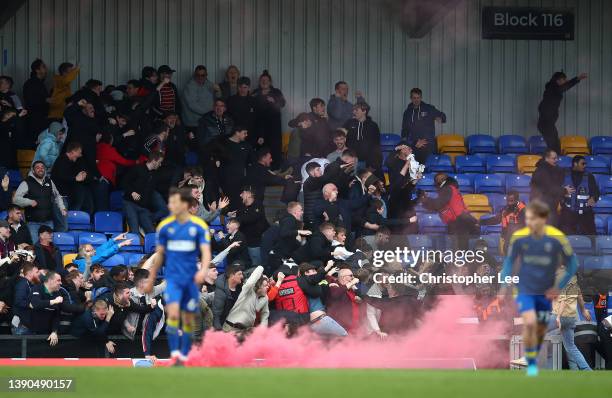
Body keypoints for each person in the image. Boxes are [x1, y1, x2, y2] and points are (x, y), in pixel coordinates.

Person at [499, 200, 578, 377]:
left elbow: (573, 263)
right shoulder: (519, 237)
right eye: (529, 218)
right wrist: (504, 284)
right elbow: (509, 262)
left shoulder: (556, 236)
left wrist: (559, 286)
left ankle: (531, 359)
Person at [147, 187, 211, 365]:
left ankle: (183, 355)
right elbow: (159, 255)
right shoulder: (165, 226)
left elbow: (206, 252)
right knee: (173, 320)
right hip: (173, 281)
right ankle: (177, 355)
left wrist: (203, 270)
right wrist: (152, 278)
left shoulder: (199, 227)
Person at [420, 173, 479, 249]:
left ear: (441, 181)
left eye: (436, 180)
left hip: (458, 223)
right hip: (461, 221)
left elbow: (438, 204)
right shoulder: (452, 188)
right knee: (461, 249)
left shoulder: (447, 189)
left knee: (458, 250)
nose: (435, 183)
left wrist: (424, 200)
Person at [550, 267, 592, 371]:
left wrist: (558, 317)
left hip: (559, 316)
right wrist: (583, 311)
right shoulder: (575, 283)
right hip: (571, 318)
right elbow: (580, 298)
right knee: (571, 347)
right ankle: (587, 370)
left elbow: (563, 300)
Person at [13, 161, 67, 240]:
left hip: (48, 221)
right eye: (37, 167)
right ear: (33, 170)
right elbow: (16, 199)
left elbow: (57, 196)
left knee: (49, 247)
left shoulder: (49, 181)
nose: (40, 169)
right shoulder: (27, 182)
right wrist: (29, 202)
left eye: (42, 167)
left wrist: (62, 207)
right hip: (33, 223)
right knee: (35, 247)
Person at [537, 71, 587, 153]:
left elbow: (564, 86)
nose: (566, 81)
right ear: (558, 80)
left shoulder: (553, 88)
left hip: (548, 123)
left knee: (554, 144)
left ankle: (553, 160)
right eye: (564, 79)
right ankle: (551, 161)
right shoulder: (553, 88)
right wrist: (578, 78)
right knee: (554, 146)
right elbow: (565, 87)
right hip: (546, 123)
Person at [122, 152, 168, 235]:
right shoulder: (137, 168)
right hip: (130, 204)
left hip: (143, 208)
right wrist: (132, 192)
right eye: (160, 162)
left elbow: (160, 189)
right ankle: (134, 247)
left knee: (152, 232)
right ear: (154, 161)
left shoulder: (155, 175)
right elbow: (124, 182)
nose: (160, 165)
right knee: (135, 231)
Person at [400, 87, 446, 164]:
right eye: (414, 98)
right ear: (411, 98)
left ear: (421, 98)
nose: (416, 100)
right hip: (414, 144)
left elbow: (442, 116)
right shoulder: (407, 112)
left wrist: (440, 118)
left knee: (424, 166)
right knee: (410, 167)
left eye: (418, 98)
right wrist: (409, 143)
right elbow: (404, 130)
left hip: (427, 144)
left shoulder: (429, 108)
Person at [252, 70, 286, 170]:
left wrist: (274, 101)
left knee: (274, 148)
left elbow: (283, 103)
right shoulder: (255, 92)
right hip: (259, 126)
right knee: (261, 148)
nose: (264, 82)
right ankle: (262, 170)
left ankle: (275, 169)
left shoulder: (276, 92)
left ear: (270, 82)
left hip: (274, 127)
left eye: (266, 80)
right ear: (259, 82)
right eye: (262, 80)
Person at [559, 155, 599, 235]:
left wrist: (593, 198)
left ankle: (593, 247)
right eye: (583, 164)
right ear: (575, 164)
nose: (585, 166)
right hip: (568, 212)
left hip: (585, 213)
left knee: (592, 237)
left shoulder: (589, 176)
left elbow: (596, 191)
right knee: (565, 238)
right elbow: (553, 189)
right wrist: (563, 192)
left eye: (585, 164)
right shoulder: (563, 174)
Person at [51, 141, 95, 215]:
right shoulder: (62, 160)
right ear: (73, 151)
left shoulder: (69, 161)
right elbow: (61, 177)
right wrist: (75, 179)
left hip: (66, 194)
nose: (80, 155)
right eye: (79, 152)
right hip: (61, 195)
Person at [223, 265, 269, 334]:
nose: (268, 287)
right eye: (265, 285)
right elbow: (251, 281)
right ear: (259, 286)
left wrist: (262, 330)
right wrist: (261, 267)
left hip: (244, 332)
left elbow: (265, 315)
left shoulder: (265, 298)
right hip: (230, 328)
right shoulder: (247, 289)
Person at [343, 102, 382, 177]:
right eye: (353, 110)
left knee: (365, 185)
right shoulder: (349, 123)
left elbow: (376, 146)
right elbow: (340, 135)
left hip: (367, 162)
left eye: (356, 110)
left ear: (364, 111)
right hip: (351, 161)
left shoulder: (372, 126)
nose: (354, 112)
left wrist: (373, 165)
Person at [219, 126, 253, 210]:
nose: (246, 135)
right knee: (230, 206)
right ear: (237, 132)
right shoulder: (224, 144)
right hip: (227, 182)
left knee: (241, 205)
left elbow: (252, 161)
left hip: (241, 181)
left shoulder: (246, 145)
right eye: (244, 133)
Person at [530, 149, 566, 227]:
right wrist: (564, 191)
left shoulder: (551, 170)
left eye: (557, 158)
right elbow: (549, 188)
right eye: (554, 158)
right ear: (547, 158)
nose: (556, 160)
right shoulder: (542, 171)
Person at [233, 188, 269, 266]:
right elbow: (239, 219)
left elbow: (251, 218)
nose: (240, 195)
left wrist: (236, 219)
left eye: (242, 193)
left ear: (249, 194)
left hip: (255, 242)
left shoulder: (258, 205)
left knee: (256, 265)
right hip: (244, 242)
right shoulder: (241, 206)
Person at [29, 271, 63, 345]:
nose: (61, 283)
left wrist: (54, 331)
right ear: (50, 280)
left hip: (45, 333)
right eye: (58, 280)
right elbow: (36, 303)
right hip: (29, 332)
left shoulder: (58, 294)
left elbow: (56, 315)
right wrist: (53, 301)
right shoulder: (36, 288)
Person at [22, 59, 49, 148]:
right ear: (37, 70)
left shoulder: (40, 83)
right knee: (35, 143)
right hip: (34, 119)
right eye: (43, 67)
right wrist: (46, 101)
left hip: (41, 117)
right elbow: (30, 101)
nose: (46, 69)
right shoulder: (31, 84)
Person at [181, 65, 216, 131]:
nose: (200, 77)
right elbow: (192, 105)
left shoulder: (209, 84)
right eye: (198, 75)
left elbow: (217, 98)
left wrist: (218, 90)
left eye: (203, 75)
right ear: (195, 75)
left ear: (206, 75)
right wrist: (210, 113)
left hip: (206, 122)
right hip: (193, 124)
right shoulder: (189, 87)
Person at [327, 267, 362, 333]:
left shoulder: (350, 288)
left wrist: (359, 300)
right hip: (341, 326)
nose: (353, 278)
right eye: (351, 275)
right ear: (343, 277)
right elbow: (335, 294)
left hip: (354, 326)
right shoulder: (334, 285)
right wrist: (351, 283)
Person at [212, 262, 244, 331]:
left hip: (237, 323)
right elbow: (216, 315)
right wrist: (219, 331)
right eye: (239, 274)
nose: (242, 276)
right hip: (224, 325)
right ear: (232, 276)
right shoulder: (221, 291)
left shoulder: (240, 288)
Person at [11, 262, 40, 335]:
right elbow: (19, 301)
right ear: (29, 273)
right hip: (21, 326)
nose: (38, 274)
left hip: (24, 325)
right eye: (36, 272)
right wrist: (31, 304)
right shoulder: (23, 284)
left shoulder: (28, 284)